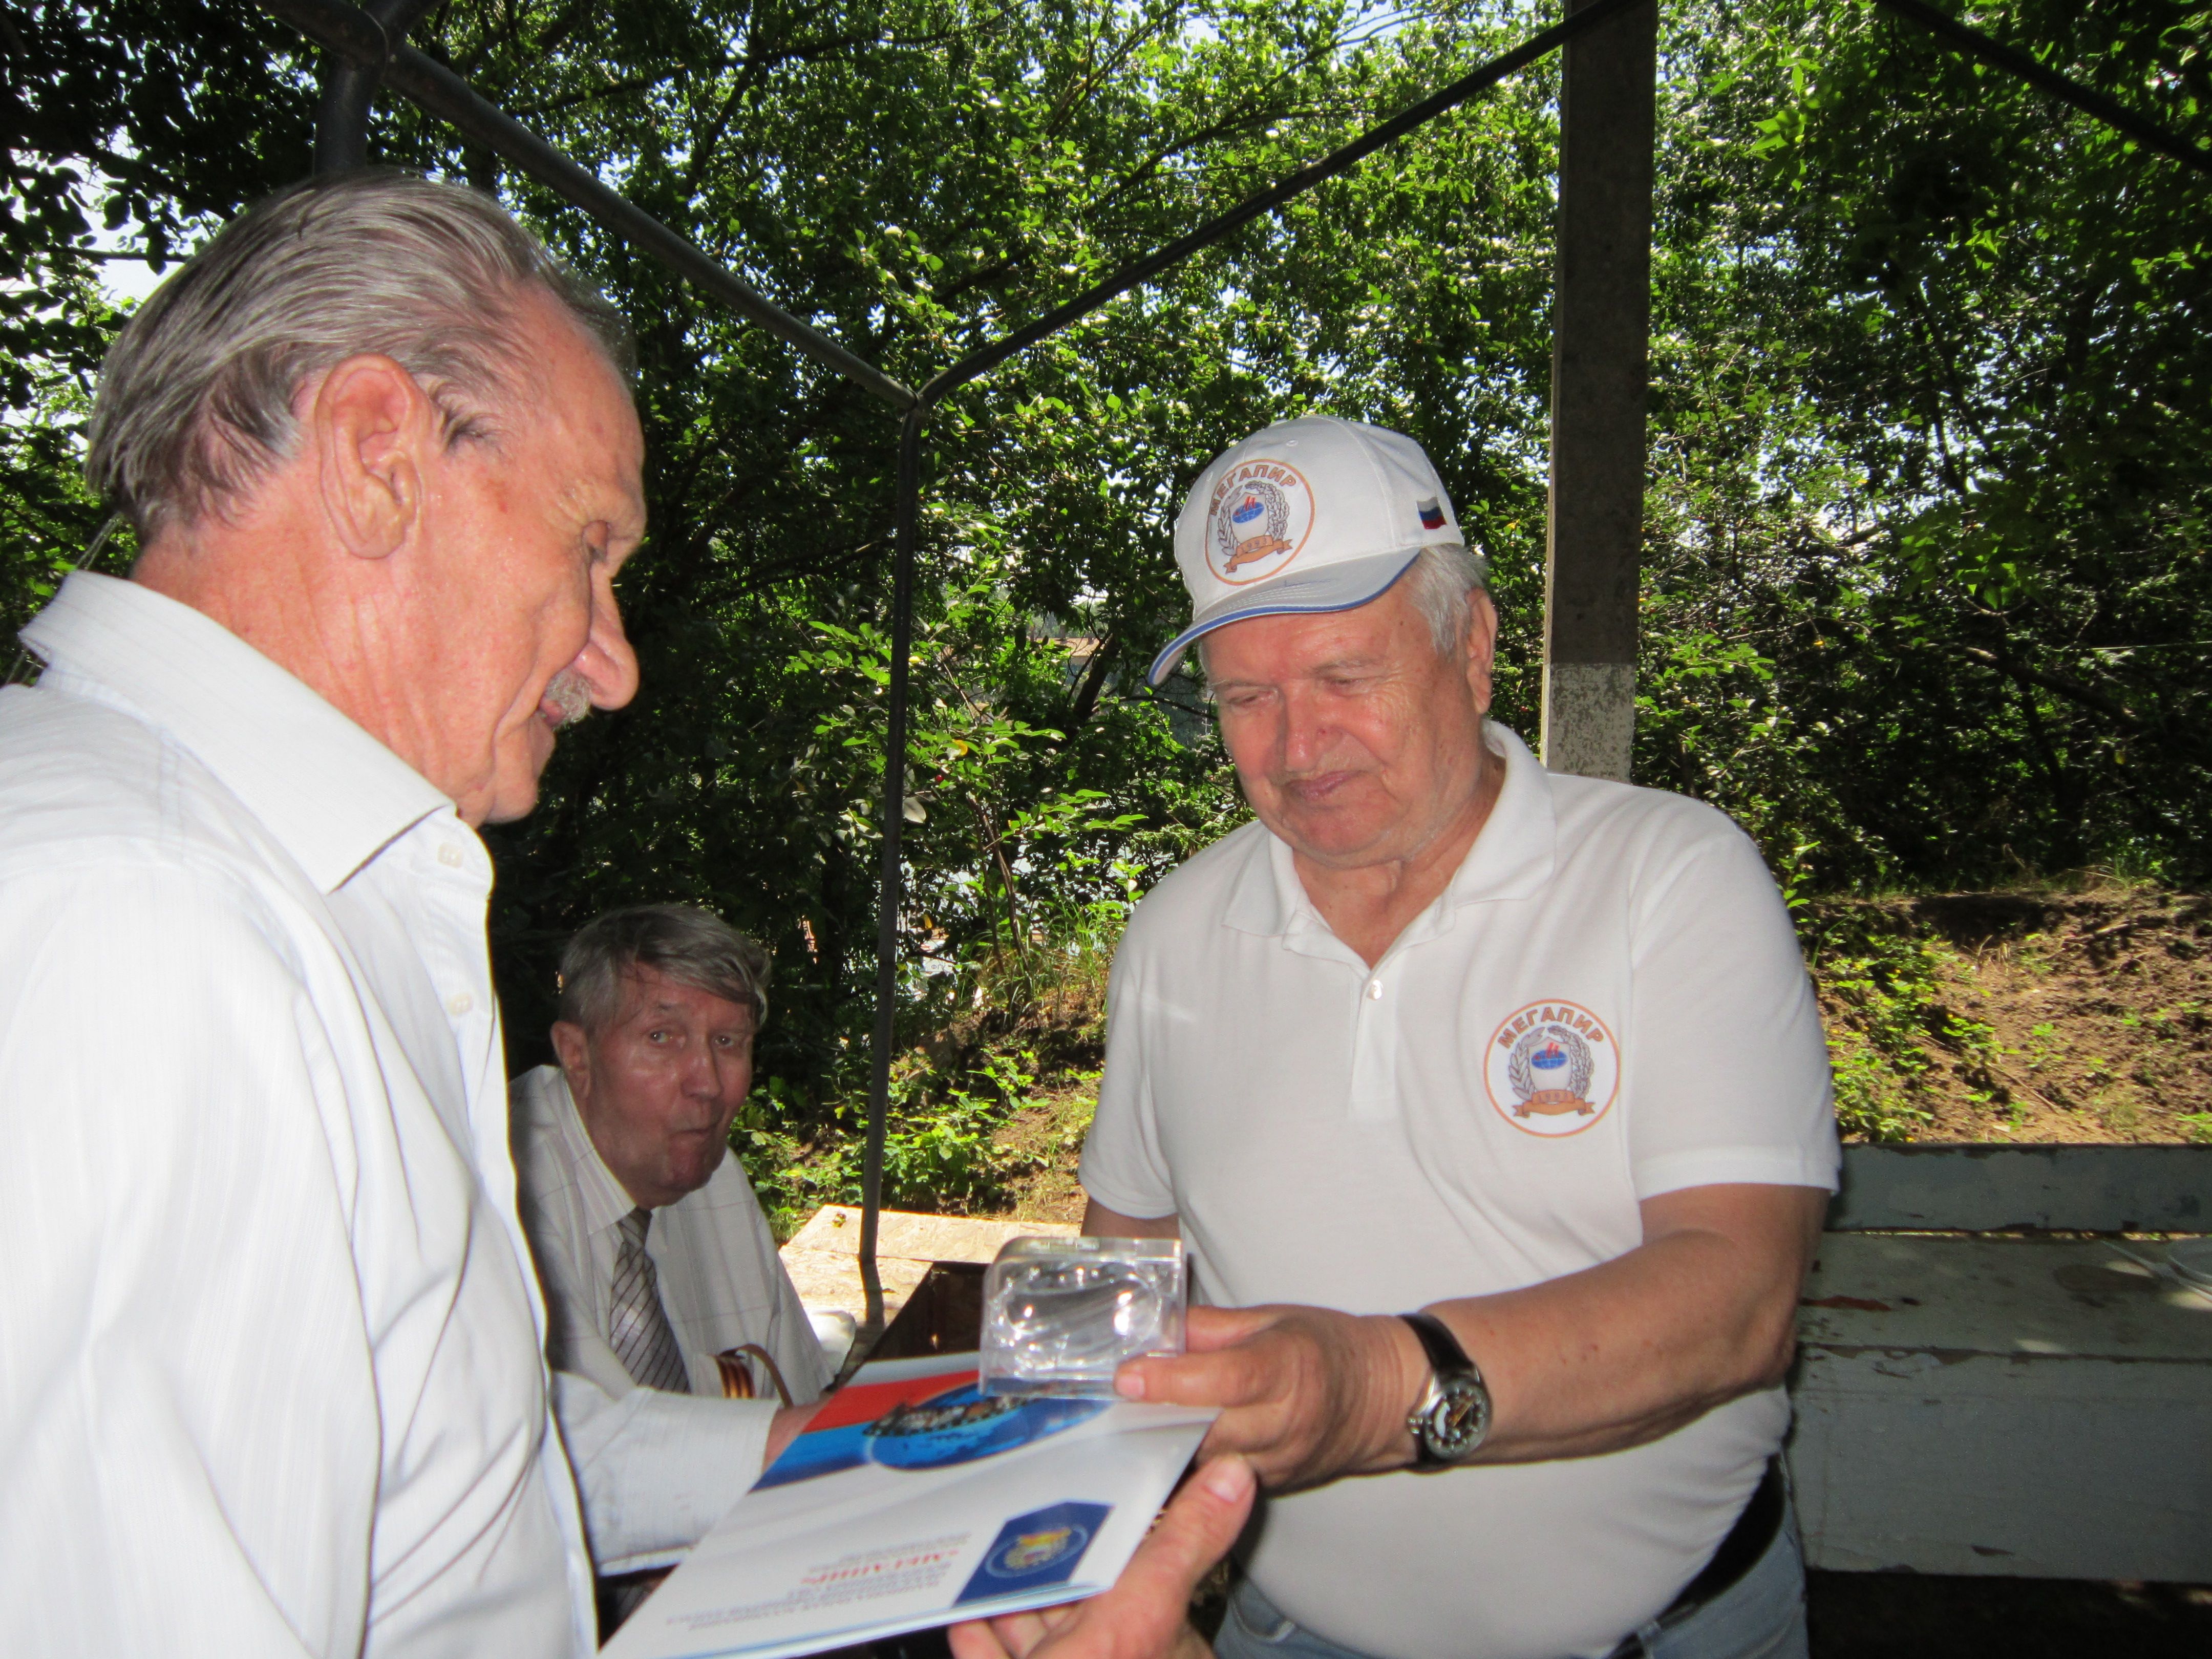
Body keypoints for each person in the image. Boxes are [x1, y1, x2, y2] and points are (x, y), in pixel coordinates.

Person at [0, 167, 1247, 1658]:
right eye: (591, 548)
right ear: (376, 453)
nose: (615, 661)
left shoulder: (250, 888)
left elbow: (472, 1466)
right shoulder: (141, 927)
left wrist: (876, 1454)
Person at [1078, 416, 1840, 1659]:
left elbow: (1741, 1297)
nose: (1297, 746)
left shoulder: (1669, 877)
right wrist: (1092, 1543)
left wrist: (1378, 1387)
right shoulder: (1174, 933)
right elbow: (1127, 1267)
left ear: (1473, 645)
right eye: (1247, 698)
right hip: (1290, 1632)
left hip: (1670, 1634)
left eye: (1344, 676)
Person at [511, 906, 829, 1530]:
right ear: (576, 1055)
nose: (706, 1084)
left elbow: (798, 1400)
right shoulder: (507, 1190)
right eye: (662, 1038)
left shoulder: (713, 1175)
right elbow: (574, 1476)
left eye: (728, 1042)